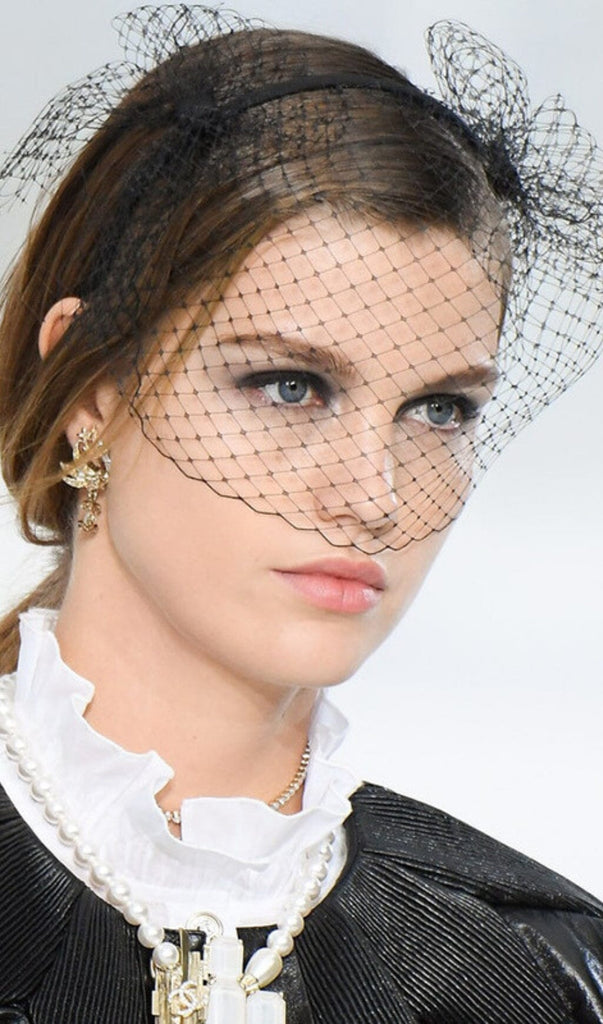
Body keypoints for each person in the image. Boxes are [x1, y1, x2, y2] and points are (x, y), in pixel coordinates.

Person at [0, 6, 601, 1023]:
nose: (373, 497)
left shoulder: (537, 971)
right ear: (91, 391)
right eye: (289, 386)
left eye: (439, 409)